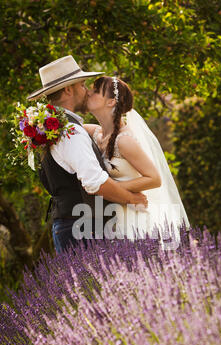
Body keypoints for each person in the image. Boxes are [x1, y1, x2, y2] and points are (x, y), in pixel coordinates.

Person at [27, 56, 148, 253]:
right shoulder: (69, 132)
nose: (87, 90)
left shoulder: (54, 128)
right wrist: (131, 198)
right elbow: (95, 183)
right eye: (82, 85)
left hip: (73, 224)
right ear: (68, 90)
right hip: (81, 228)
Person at [84, 76, 191, 246]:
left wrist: (112, 188)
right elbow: (70, 127)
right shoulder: (97, 133)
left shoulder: (124, 140)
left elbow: (154, 178)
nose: (88, 93)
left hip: (131, 220)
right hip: (110, 218)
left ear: (111, 102)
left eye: (96, 91)